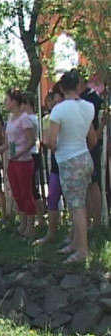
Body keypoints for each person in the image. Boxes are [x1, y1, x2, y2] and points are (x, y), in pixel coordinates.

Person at [46, 71, 96, 264]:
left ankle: (82, 250)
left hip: (69, 160)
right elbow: (92, 139)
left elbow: (50, 140)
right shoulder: (89, 107)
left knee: (76, 208)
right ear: (78, 86)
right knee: (80, 203)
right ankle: (76, 243)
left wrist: (56, 148)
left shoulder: (59, 110)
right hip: (85, 157)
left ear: (61, 88)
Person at [0, 89, 36, 239]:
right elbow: (9, 140)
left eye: (7, 100)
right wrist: (3, 148)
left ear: (14, 101)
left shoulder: (25, 119)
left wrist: (20, 153)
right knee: (17, 193)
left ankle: (31, 228)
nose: (5, 103)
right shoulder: (10, 118)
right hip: (13, 161)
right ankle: (22, 224)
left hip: (24, 162)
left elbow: (31, 141)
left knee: (26, 193)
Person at [35, 88, 65, 246]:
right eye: (50, 99)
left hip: (68, 160)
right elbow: (48, 140)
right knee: (52, 197)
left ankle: (75, 234)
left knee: (74, 201)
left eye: (55, 98)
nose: (53, 102)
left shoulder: (68, 114)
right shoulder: (51, 117)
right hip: (55, 162)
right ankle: (52, 233)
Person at [78, 72, 104, 228]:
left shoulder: (91, 99)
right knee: (85, 185)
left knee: (93, 183)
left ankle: (98, 220)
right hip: (81, 144)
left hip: (92, 143)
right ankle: (87, 220)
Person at [22, 91, 46, 227]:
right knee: (31, 188)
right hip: (32, 153)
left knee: (31, 189)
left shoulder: (30, 119)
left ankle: (40, 219)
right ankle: (40, 218)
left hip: (30, 154)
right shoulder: (32, 118)